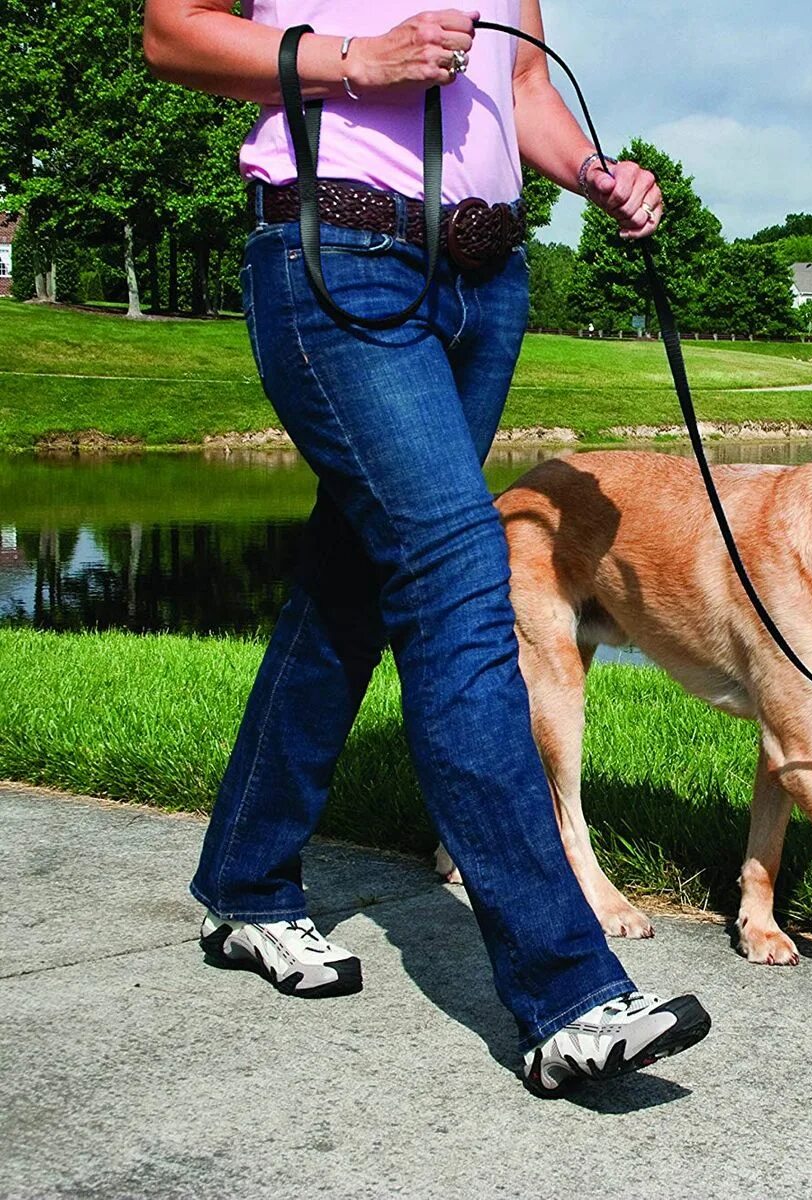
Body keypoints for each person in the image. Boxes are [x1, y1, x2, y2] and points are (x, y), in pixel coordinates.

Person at [141, 1, 711, 1096]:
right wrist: (355, 62)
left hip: (486, 286)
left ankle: (248, 886)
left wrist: (594, 174)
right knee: (459, 587)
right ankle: (569, 996)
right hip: (336, 257)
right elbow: (172, 34)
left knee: (349, 587)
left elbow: (523, 92)